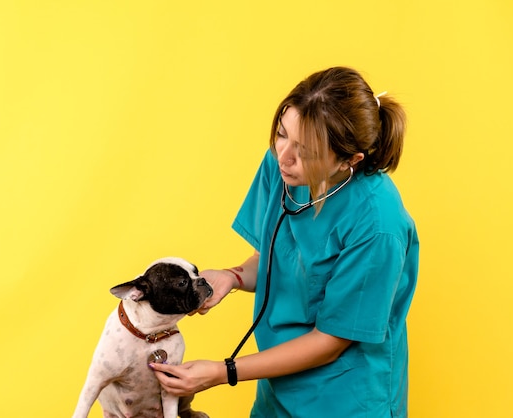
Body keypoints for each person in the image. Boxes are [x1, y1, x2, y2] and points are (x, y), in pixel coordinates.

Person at [150, 66, 419, 417]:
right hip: (279, 388)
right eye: (281, 134)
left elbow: (330, 341)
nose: (284, 156)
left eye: (305, 151)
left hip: (347, 399)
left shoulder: (377, 224)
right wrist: (232, 277)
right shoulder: (282, 164)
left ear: (349, 161)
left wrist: (222, 372)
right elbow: (283, 257)